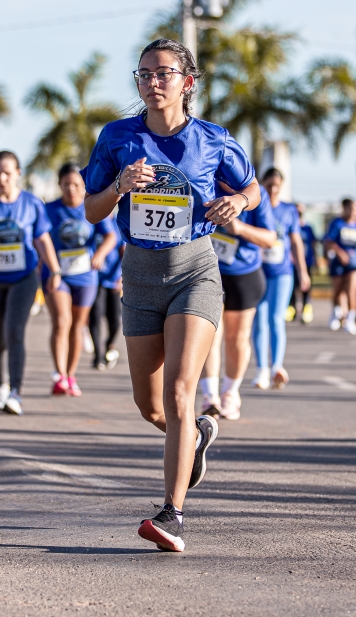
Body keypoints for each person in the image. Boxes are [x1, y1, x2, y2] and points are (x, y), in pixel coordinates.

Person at [82, 38, 259, 553]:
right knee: (151, 406)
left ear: (187, 82)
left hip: (194, 272)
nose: (152, 82)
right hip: (139, 277)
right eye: (144, 74)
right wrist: (119, 186)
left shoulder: (213, 139)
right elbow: (91, 210)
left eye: (163, 73)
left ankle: (172, 514)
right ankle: (197, 436)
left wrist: (238, 204)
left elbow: (252, 188)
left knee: (181, 391)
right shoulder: (117, 137)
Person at [0, 150, 61, 416]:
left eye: (6, 173)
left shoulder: (31, 203)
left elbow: (41, 239)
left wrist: (55, 269)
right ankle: (1, 384)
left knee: (14, 331)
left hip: (24, 278)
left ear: (18, 173)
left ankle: (16, 391)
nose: (1, 178)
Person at [44, 162, 116, 396]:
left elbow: (111, 236)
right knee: (61, 321)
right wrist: (48, 267)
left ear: (83, 185)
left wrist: (100, 254)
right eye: (66, 184)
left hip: (85, 276)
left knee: (77, 326)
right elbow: (39, 239)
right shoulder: (49, 210)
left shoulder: (91, 207)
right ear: (59, 184)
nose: (71, 189)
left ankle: (70, 375)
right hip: (56, 275)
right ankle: (59, 376)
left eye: (76, 184)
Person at [204, 180, 276, 403]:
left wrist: (239, 229)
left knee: (236, 338)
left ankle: (230, 393)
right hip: (207, 272)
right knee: (209, 336)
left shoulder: (255, 192)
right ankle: (210, 397)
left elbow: (270, 239)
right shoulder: (204, 181)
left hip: (244, 274)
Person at [252, 169, 312, 390]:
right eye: (269, 185)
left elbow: (296, 242)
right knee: (259, 320)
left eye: (277, 185)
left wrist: (303, 271)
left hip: (282, 272)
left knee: (276, 319)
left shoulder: (289, 210)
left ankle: (277, 366)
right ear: (262, 184)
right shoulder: (255, 205)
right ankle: (261, 370)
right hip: (258, 272)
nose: (273, 189)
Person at [323, 199, 356, 335]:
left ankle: (350, 319)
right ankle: (335, 311)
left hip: (355, 264)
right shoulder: (337, 223)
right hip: (338, 262)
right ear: (345, 209)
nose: (355, 213)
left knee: (351, 290)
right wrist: (340, 253)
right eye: (353, 209)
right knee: (338, 290)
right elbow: (329, 242)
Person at [89, 213, 124, 371]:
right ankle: (98, 356)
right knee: (95, 316)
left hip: (113, 280)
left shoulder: (119, 221)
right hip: (95, 279)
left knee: (115, 319)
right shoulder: (92, 219)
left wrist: (122, 277)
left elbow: (124, 252)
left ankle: (110, 343)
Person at [291, 203, 317, 324]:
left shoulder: (308, 228)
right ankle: (292, 308)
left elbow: (313, 244)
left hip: (307, 261)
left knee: (306, 286)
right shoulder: (290, 225)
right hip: (292, 262)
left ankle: (306, 308)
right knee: (293, 286)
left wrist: (316, 259)